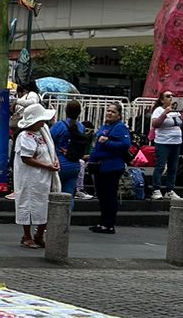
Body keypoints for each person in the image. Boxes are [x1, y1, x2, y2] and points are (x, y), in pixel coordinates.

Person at [13, 97, 59, 248]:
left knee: (43, 205)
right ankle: (27, 236)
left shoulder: (42, 133)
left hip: (43, 177)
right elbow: (26, 158)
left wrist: (54, 160)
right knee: (27, 204)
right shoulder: (24, 136)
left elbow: (49, 149)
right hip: (30, 178)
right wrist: (47, 165)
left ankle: (39, 234)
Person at [88, 101, 131, 235]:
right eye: (108, 110)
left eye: (113, 111)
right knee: (102, 195)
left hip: (111, 166)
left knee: (109, 196)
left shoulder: (120, 128)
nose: (109, 113)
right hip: (100, 166)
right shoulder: (105, 126)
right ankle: (102, 222)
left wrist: (107, 142)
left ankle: (109, 224)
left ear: (119, 115)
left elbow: (125, 144)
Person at [50, 99, 93, 204]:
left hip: (59, 164)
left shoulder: (60, 125)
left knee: (54, 196)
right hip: (74, 165)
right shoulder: (81, 127)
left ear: (66, 110)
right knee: (69, 196)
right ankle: (67, 217)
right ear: (79, 112)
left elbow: (49, 140)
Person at [148, 90, 183, 198]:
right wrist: (165, 113)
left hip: (176, 142)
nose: (171, 98)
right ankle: (156, 189)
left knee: (173, 167)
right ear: (162, 99)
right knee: (160, 166)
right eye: (168, 96)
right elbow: (155, 124)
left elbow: (181, 125)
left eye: (172, 96)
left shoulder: (176, 110)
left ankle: (170, 190)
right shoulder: (159, 110)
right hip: (163, 142)